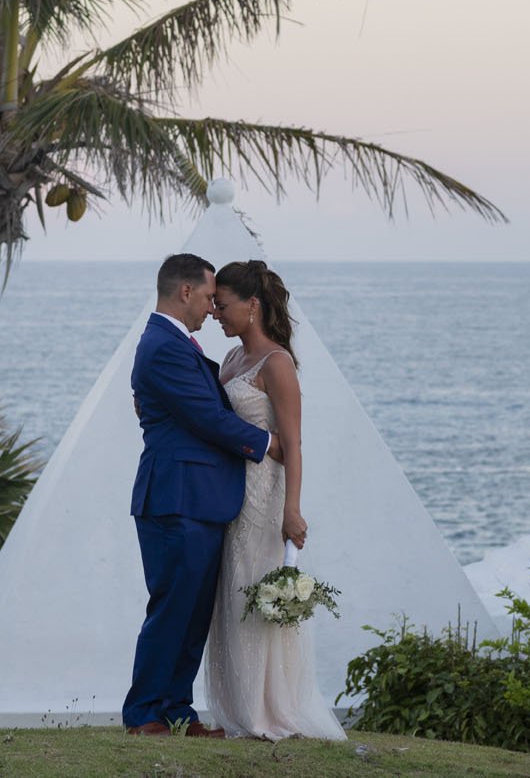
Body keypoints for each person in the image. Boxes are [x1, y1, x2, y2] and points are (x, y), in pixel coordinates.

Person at [123, 253, 282, 737]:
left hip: (200, 498)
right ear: (186, 291)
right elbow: (207, 417)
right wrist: (267, 443)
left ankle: (177, 710)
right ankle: (144, 712)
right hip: (177, 497)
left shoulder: (174, 344)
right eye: (210, 297)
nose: (213, 309)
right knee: (173, 608)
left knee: (194, 613)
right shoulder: (163, 345)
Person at [202, 259, 346, 741]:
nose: (215, 314)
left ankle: (265, 711)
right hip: (229, 492)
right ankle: (235, 709)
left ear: (253, 305)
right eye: (213, 305)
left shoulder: (277, 363)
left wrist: (292, 510)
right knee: (229, 595)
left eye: (223, 306)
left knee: (254, 592)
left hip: (264, 497)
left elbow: (294, 443)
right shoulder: (230, 359)